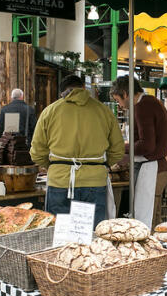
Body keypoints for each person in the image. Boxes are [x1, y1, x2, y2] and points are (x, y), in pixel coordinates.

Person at [31, 75, 125, 226]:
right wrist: (103, 165)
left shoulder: (50, 111)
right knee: (92, 237)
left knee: (59, 236)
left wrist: (55, 166)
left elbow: (36, 152)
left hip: (59, 182)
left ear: (62, 93)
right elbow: (118, 149)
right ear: (83, 88)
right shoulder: (103, 111)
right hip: (94, 181)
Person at [111, 76, 167, 229]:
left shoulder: (141, 107)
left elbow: (147, 145)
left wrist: (120, 147)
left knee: (145, 220)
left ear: (125, 93)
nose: (120, 105)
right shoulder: (154, 102)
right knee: (152, 218)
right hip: (159, 168)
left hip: (151, 169)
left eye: (118, 100)